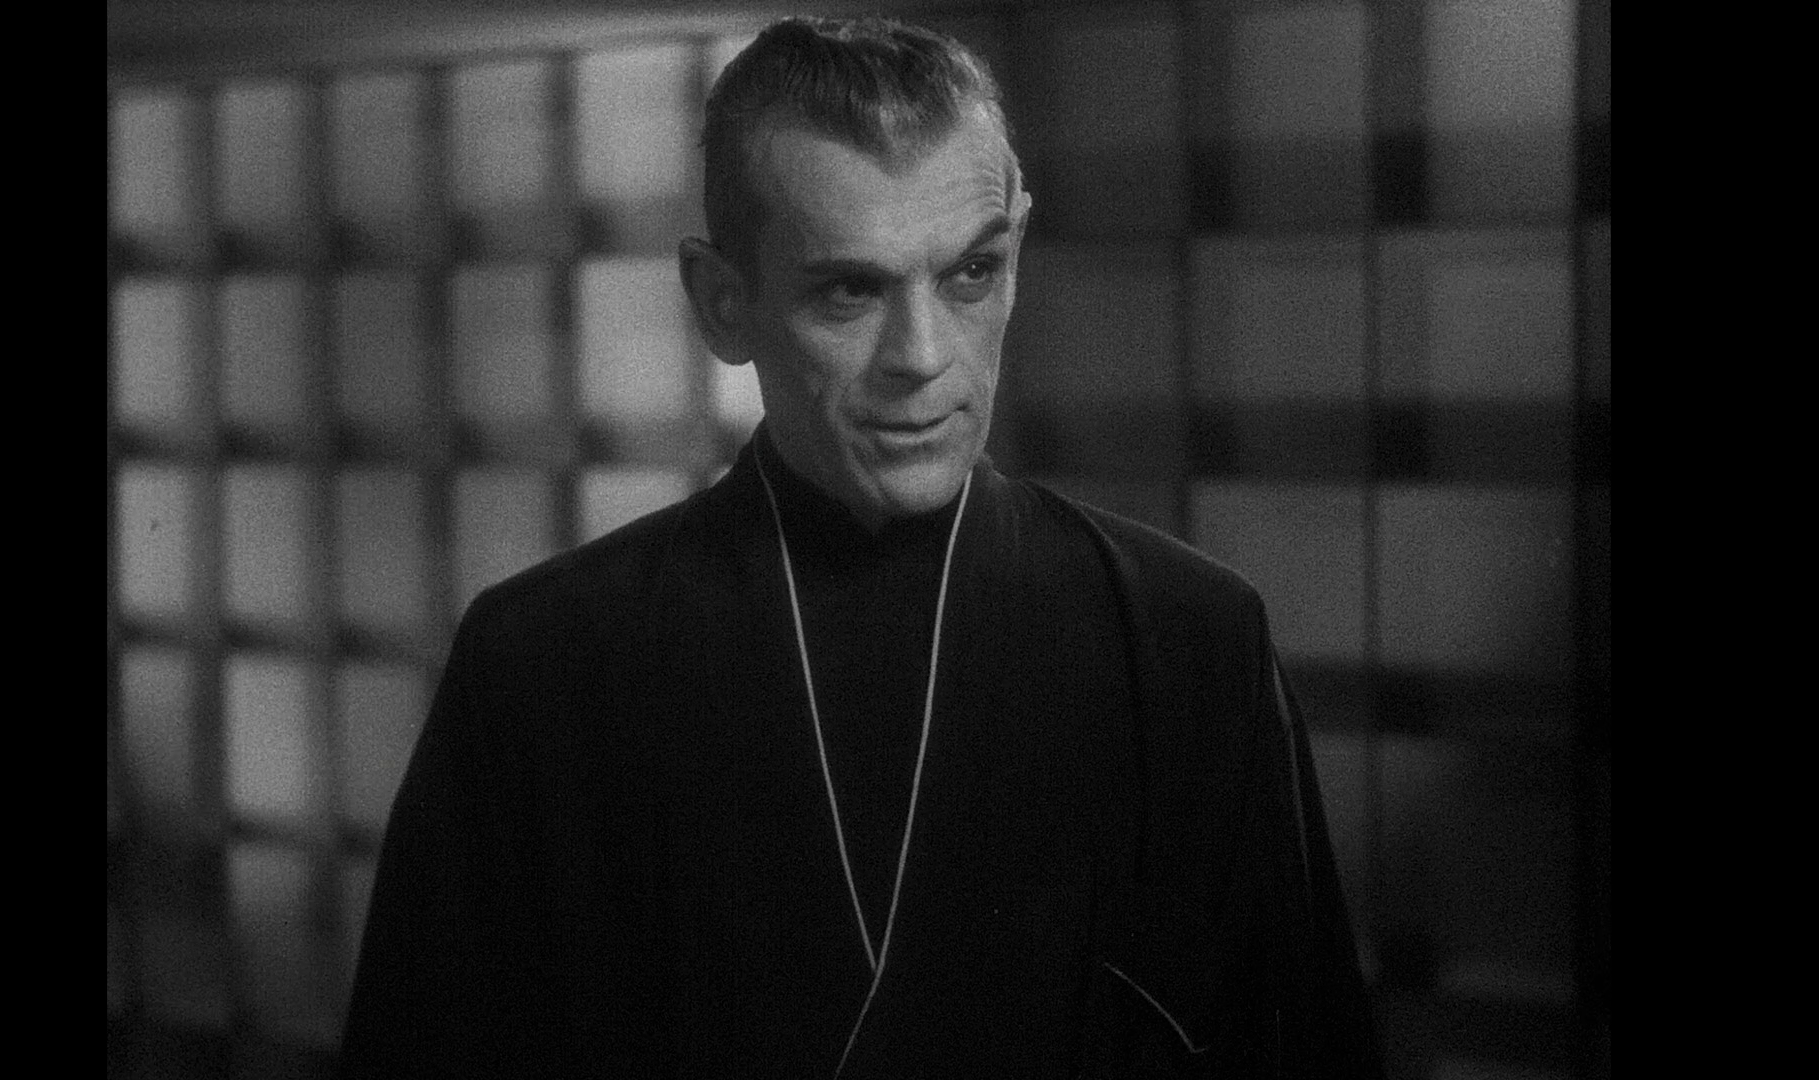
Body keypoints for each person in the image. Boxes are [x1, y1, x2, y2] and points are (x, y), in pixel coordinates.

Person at [338, 15, 1380, 1079]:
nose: (922, 358)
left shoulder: (1190, 644)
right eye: (850, 291)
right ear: (721, 303)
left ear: (1017, 251)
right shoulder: (542, 666)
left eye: (970, 274)